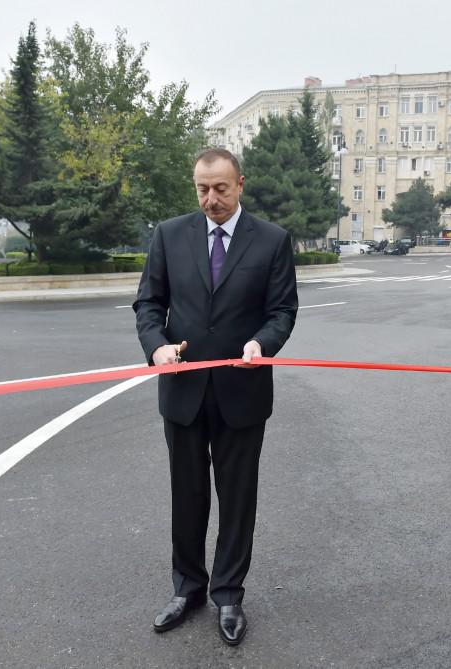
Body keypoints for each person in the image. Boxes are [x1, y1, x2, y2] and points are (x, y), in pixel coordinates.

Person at [132, 148, 298, 646]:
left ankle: (228, 593)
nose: (211, 199)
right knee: (187, 495)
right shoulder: (169, 234)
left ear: (240, 184)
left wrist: (261, 344)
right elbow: (148, 302)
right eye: (202, 189)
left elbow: (282, 311)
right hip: (182, 389)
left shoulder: (270, 241)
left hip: (241, 391)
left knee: (237, 497)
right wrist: (157, 346)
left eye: (221, 188)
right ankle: (188, 588)